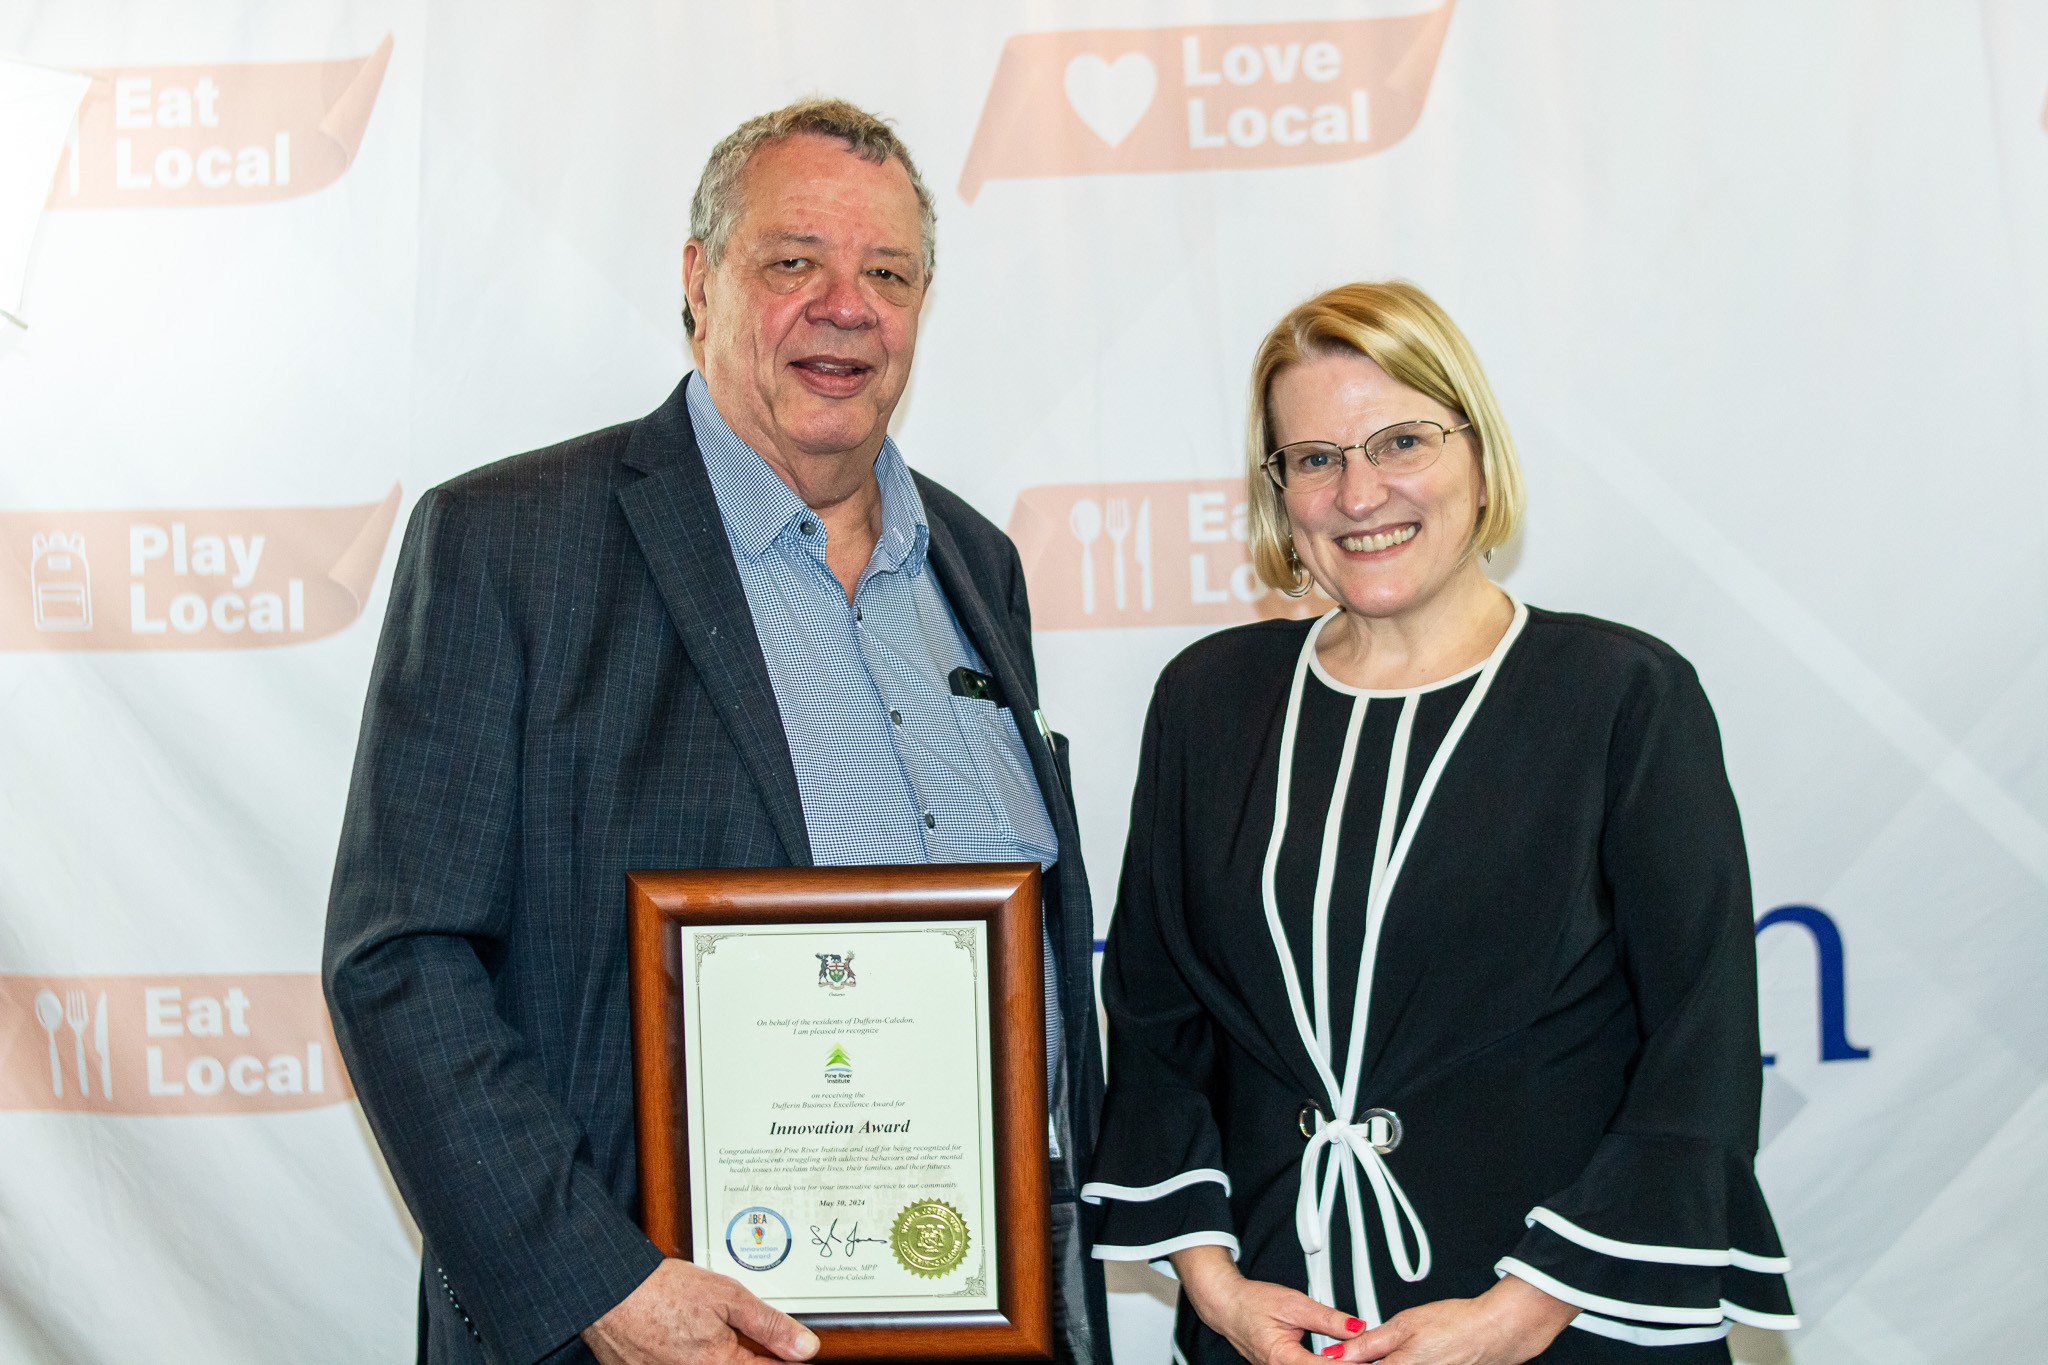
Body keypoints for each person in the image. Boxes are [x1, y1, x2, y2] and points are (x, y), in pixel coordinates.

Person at [323, 98, 1109, 1365]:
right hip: (659, 1333)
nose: (845, 304)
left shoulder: (976, 563)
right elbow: (397, 960)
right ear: (699, 281)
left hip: (984, 1315)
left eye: (888, 273)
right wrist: (601, 1287)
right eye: (793, 260)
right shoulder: (509, 544)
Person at [1084, 282, 1798, 1364]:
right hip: (1276, 1326)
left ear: (1476, 455)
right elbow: (1152, 1024)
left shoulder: (1617, 696)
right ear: (1279, 495)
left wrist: (1517, 1317)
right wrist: (1220, 1294)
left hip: (1559, 1324)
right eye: (1314, 458)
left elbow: (1696, 1049)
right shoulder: (1208, 701)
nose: (1359, 492)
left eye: (1400, 441)